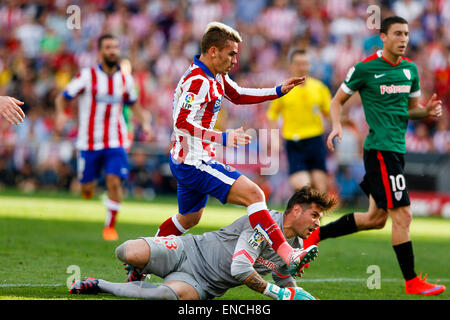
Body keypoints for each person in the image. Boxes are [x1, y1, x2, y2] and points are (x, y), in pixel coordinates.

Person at [303, 16, 445, 296]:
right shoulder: (365, 68)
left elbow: (410, 109)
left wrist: (426, 112)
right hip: (380, 151)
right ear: (383, 36)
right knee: (403, 215)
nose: (403, 39)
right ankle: (412, 281)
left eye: (406, 34)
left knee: (375, 219)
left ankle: (315, 235)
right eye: (397, 34)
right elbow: (337, 100)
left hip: (396, 150)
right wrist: (337, 124)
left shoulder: (410, 70)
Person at [156, 21, 307, 271]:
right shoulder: (198, 81)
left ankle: (142, 260)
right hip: (195, 161)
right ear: (213, 51)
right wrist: (223, 137)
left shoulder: (214, 76)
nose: (236, 60)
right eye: (232, 53)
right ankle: (288, 254)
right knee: (255, 195)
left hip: (187, 159)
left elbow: (237, 95)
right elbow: (181, 124)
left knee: (189, 218)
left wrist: (278, 90)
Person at [70, 186, 337, 300]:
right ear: (295, 210)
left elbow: (281, 276)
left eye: (319, 218)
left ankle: (100, 286)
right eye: (314, 215)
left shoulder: (295, 249)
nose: (317, 223)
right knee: (126, 251)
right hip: (189, 251)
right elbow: (241, 269)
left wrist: (295, 291)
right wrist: (279, 294)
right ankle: (138, 269)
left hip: (203, 285)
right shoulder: (264, 223)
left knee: (164, 295)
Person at [55, 34, 151, 241]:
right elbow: (63, 98)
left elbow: (133, 103)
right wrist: (62, 115)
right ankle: (88, 188)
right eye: (108, 47)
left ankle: (110, 226)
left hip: (115, 140)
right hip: (89, 142)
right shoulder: (87, 76)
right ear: (100, 52)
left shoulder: (125, 79)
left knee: (114, 181)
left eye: (115, 47)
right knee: (86, 188)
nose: (113, 51)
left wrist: (144, 121)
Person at [267, 49, 331, 193]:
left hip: (315, 140)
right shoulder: (283, 89)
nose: (302, 67)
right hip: (294, 142)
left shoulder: (319, 88)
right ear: (291, 65)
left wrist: (337, 128)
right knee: (303, 187)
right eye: (298, 63)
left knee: (320, 188)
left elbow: (330, 113)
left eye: (305, 63)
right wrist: (274, 139)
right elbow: (272, 115)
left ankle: (314, 215)